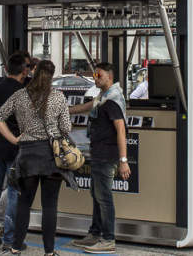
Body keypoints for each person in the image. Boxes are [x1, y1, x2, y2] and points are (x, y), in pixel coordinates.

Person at [0, 60, 69, 256]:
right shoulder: (58, 97)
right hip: (51, 155)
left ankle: (16, 247)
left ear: (34, 73)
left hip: (27, 154)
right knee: (50, 205)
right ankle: (49, 252)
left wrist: (14, 138)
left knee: (24, 202)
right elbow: (66, 128)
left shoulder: (20, 95)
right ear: (52, 76)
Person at [69, 62, 131, 254]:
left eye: (100, 75)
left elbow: (121, 130)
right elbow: (89, 106)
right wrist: (67, 110)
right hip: (98, 153)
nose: (96, 78)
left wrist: (123, 160)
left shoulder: (112, 100)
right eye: (95, 75)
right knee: (97, 196)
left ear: (110, 77)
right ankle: (95, 234)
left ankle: (108, 239)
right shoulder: (103, 97)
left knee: (104, 198)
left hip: (106, 155)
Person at [0, 52, 30, 250]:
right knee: (13, 192)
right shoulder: (23, 92)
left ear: (7, 69)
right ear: (24, 71)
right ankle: (9, 238)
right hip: (16, 147)